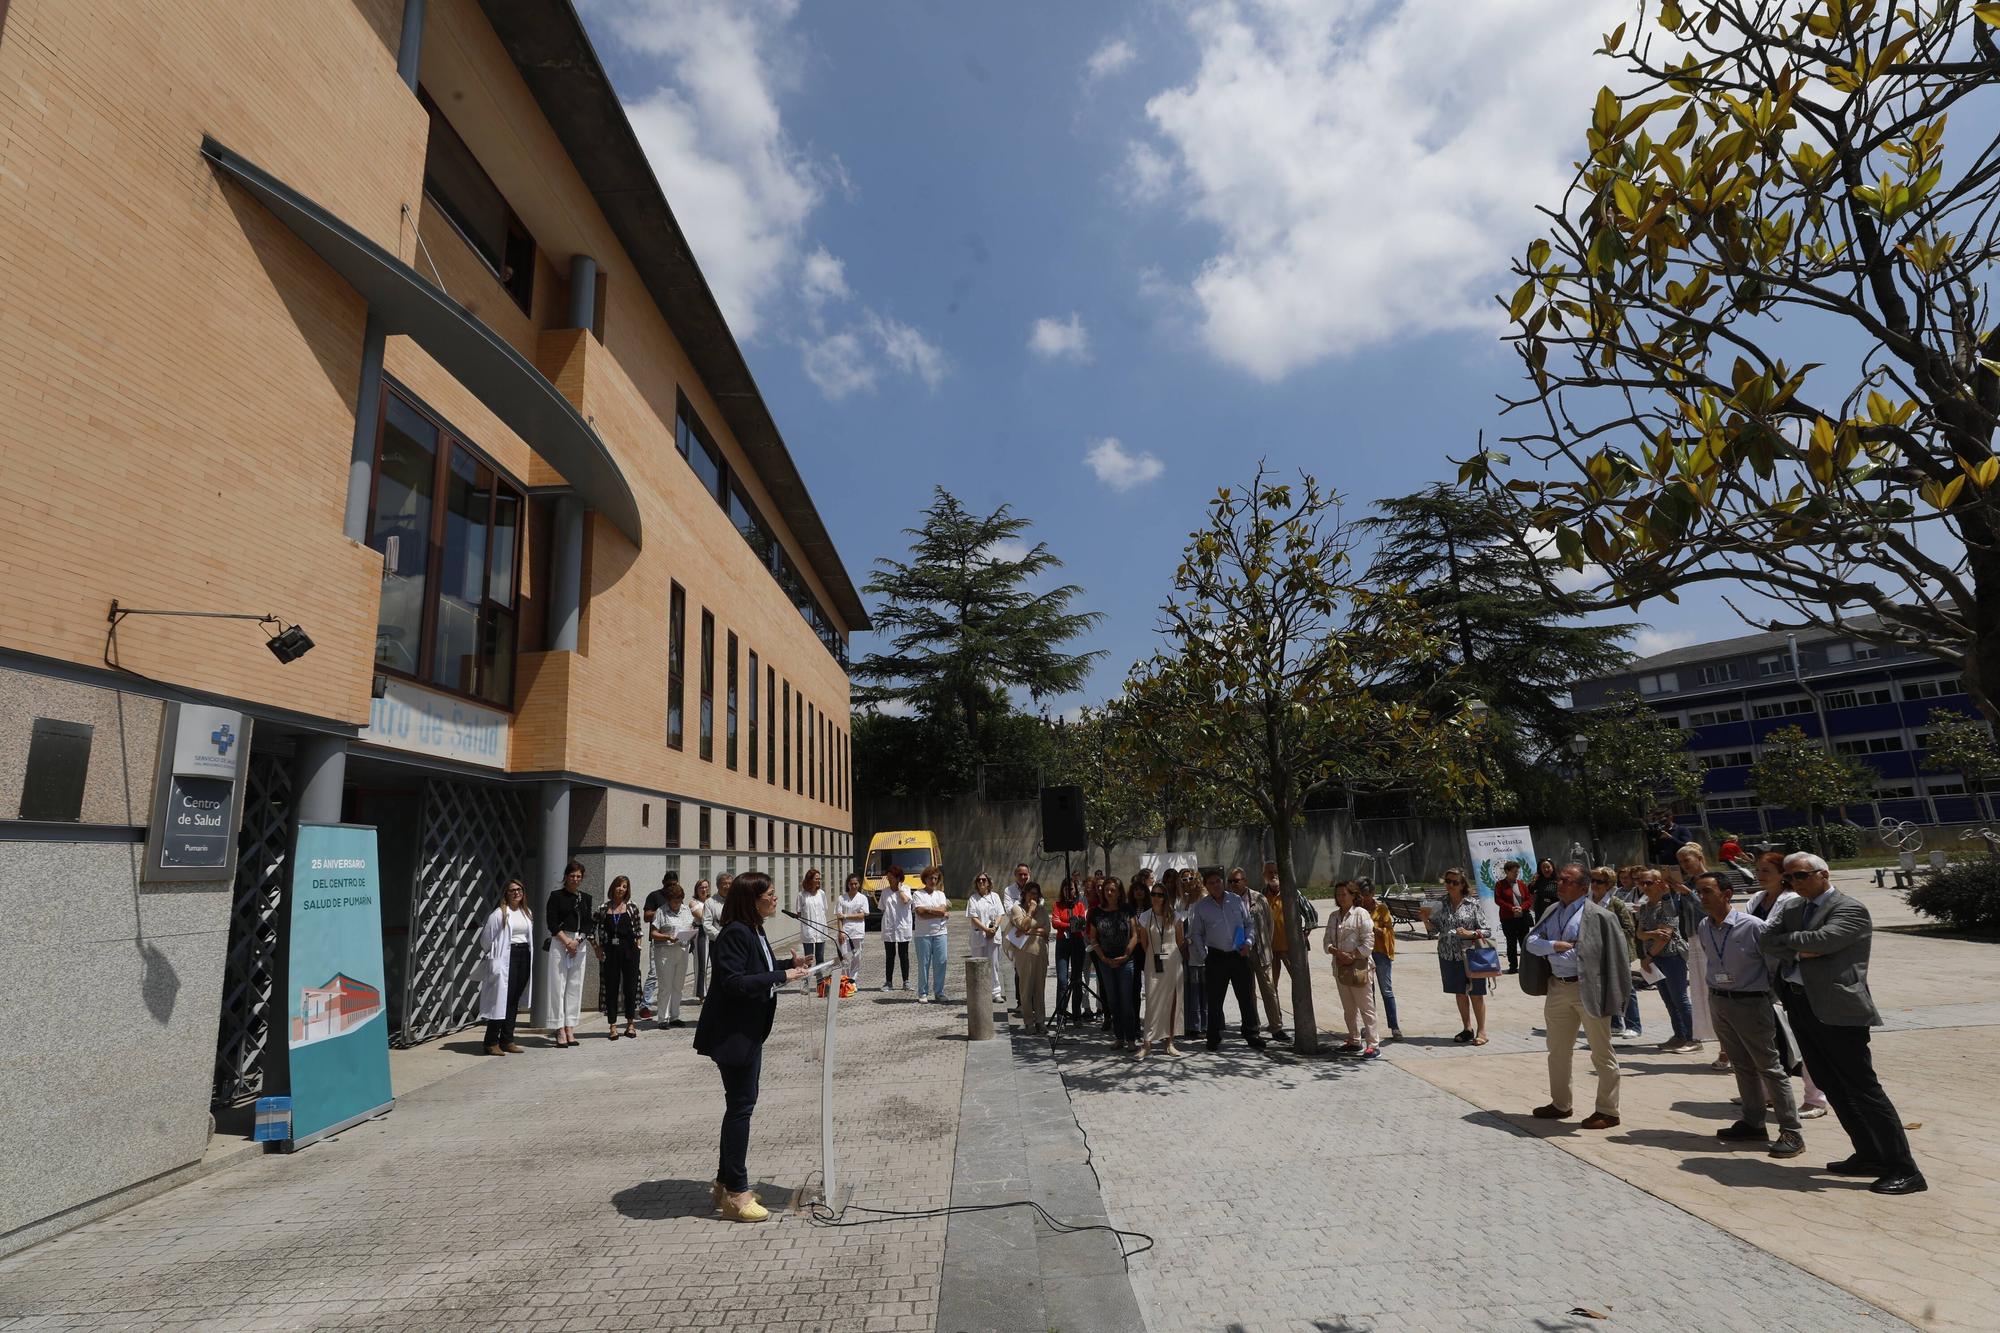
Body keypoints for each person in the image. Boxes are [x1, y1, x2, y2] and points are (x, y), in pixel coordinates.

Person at [1761, 853, 1925, 1194]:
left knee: (1863, 1088)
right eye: (1789, 877)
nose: (1795, 882)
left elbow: (1824, 941)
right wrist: (1800, 948)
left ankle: (1904, 1169)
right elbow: (1766, 941)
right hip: (1801, 1006)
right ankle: (1869, 1155)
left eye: (1802, 875)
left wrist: (1793, 944)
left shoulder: (1849, 908)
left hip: (1839, 1010)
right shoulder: (1792, 909)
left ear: (1823, 874)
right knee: (1830, 1083)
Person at [693, 872, 814, 1223]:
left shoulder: (754, 929)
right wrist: (781, 976)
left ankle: (724, 1182)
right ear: (752, 900)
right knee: (741, 1109)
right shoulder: (734, 933)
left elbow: (757, 969)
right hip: (733, 1034)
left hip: (749, 1032)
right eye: (771, 895)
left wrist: (789, 966)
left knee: (739, 1106)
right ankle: (736, 1194)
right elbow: (733, 982)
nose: (776, 899)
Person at [1694, 871, 1805, 1158]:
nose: (1701, 897)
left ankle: (1791, 1130)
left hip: (1751, 1003)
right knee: (1741, 1065)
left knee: (1769, 1066)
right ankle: (1753, 1121)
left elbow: (1773, 965)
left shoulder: (1753, 926)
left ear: (1726, 894)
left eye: (1707, 891)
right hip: (1720, 1001)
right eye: (1699, 892)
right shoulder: (1705, 926)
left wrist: (1761, 996)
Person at [1526, 863, 1630, 1130]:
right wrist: (1555, 946)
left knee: (1601, 1052)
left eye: (1567, 880)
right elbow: (1531, 942)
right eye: (1560, 879)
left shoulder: (1598, 916)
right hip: (1557, 987)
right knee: (1557, 1051)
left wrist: (1548, 949)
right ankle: (1561, 1103)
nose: (1560, 883)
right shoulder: (1552, 911)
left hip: (1589, 988)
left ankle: (1608, 1110)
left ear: (1584, 887)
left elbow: (1588, 955)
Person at [1745, 851, 1831, 1120]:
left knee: (1802, 1041)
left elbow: (1779, 939)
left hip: (1791, 978)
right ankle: (1768, 1092)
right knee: (1766, 1040)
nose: (1759, 875)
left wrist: (1783, 945)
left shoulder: (1792, 902)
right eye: (1757, 870)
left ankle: (1815, 1097)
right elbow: (1759, 937)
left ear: (1782, 875)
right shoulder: (1756, 900)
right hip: (1762, 978)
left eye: (1766, 871)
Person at [1188, 867, 1265, 1052]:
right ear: (1206, 886)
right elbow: (1196, 933)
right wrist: (1204, 955)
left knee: (1246, 997)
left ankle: (1251, 1034)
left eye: (1218, 881)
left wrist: (1248, 942)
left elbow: (1248, 924)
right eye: (1211, 883)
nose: (1216, 885)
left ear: (1222, 882)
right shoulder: (1202, 907)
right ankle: (1213, 1037)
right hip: (1216, 957)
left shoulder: (1236, 900)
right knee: (1214, 1000)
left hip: (1239, 955)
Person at [1423, 868, 1493, 1045]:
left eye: (1455, 882)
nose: (1450, 885)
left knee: (1476, 993)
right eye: (1447, 881)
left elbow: (1487, 930)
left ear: (1463, 885)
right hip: (1448, 954)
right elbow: (1434, 930)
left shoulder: (1473, 904)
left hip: (1471, 955)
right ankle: (1467, 1028)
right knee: (1460, 993)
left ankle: (1482, 1030)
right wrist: (1425, 920)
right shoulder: (1441, 904)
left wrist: (1470, 933)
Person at [1635, 868, 1697, 1051]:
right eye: (1641, 882)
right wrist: (1651, 934)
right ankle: (1679, 1035)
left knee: (1680, 998)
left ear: (1659, 883)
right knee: (1668, 1000)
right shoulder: (1645, 906)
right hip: (1653, 959)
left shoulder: (1668, 905)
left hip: (1671, 957)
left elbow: (1665, 936)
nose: (1644, 886)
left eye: (1648, 882)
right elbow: (1639, 933)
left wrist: (1649, 956)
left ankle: (1694, 1038)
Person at [1676, 843, 1725, 1067]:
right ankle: (1711, 1040)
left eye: (1687, 860)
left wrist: (1691, 895)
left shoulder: (1713, 880)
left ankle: (1728, 1049)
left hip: (1712, 936)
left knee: (1717, 992)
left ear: (1699, 857)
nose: (1684, 866)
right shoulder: (1687, 883)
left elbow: (1714, 908)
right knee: (1701, 993)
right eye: (1681, 863)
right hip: (1693, 937)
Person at [1587, 866, 1644, 1041]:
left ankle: (1633, 1025)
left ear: (1609, 884)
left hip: (1617, 952)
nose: (1594, 884)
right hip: (1596, 952)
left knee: (1626, 988)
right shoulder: (1586, 901)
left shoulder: (1615, 903)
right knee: (1604, 987)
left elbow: (1628, 928)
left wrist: (1613, 942)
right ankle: (1615, 1024)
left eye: (1599, 881)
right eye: (1592, 880)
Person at [479, 878, 534, 1055]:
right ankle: (491, 1041)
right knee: (501, 999)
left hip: (523, 954)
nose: (516, 892)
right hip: (507, 957)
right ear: (506, 894)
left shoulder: (527, 913)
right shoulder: (499, 914)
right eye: (512, 890)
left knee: (514, 999)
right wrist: (494, 956)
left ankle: (507, 1039)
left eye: (519, 889)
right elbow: (485, 940)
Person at [1324, 881, 1379, 1058]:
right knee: (1348, 1009)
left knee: (1366, 1007)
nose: (1340, 898)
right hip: (1340, 968)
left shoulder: (1361, 914)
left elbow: (1368, 943)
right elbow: (1326, 942)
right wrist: (1336, 952)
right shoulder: (1334, 916)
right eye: (1338, 895)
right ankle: (1354, 1040)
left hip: (1360, 967)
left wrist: (1352, 955)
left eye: (1344, 894)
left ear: (1353, 895)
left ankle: (1373, 1044)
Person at [1232, 867, 1288, 1042]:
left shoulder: (1258, 898)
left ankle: (1276, 1027)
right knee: (1248, 992)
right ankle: (1252, 1025)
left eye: (1237, 880)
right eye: (1231, 881)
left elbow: (1269, 924)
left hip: (1261, 951)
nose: (1234, 884)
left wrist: (1266, 945)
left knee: (1269, 990)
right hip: (1241, 953)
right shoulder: (1228, 901)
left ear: (1245, 881)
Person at [543, 860, 593, 1048]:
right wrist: (567, 942)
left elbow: (589, 923)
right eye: (572, 876)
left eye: (579, 876)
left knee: (575, 984)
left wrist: (578, 941)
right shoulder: (556, 896)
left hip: (579, 942)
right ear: (566, 876)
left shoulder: (585, 898)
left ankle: (570, 1025)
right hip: (560, 941)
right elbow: (552, 922)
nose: (575, 879)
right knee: (558, 984)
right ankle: (559, 1027)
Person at [1136, 878, 1184, 1057]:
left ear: (1165, 897)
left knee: (1172, 1002)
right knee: (1152, 1001)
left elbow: (1180, 941)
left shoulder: (1176, 916)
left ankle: (1169, 1041)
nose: (1156, 897)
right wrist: (1155, 955)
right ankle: (1146, 1043)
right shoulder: (1145, 917)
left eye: (1160, 895)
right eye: (1153, 894)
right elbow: (1144, 943)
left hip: (1173, 961)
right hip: (1153, 961)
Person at [1091, 876, 1140, 1050]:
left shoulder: (1128, 910)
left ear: (1119, 892)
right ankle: (1118, 1037)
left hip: (1126, 962)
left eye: (1113, 890)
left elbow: (1135, 934)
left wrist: (1127, 954)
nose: (1109, 893)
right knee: (1113, 1001)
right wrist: (1103, 958)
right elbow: (1093, 938)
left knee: (1127, 1001)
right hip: (1106, 962)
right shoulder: (1096, 912)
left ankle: (1131, 1039)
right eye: (1106, 890)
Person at [595, 876, 643, 1040]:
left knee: (630, 987)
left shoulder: (632, 907)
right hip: (610, 951)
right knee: (611, 988)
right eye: (618, 886)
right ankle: (613, 1026)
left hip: (629, 950)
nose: (621, 889)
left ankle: (630, 1024)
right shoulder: (603, 908)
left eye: (624, 886)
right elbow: (591, 928)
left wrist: (638, 946)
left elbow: (638, 930)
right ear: (613, 887)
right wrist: (597, 947)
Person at [1357, 881, 1401, 1040]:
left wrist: (1375, 929)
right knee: (1368, 992)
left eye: (1368, 895)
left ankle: (1394, 1027)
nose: (1366, 899)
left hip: (1381, 953)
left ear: (1373, 893)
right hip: (1364, 953)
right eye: (1363, 896)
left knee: (1386, 990)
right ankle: (1369, 1026)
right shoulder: (1358, 910)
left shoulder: (1381, 909)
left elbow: (1389, 930)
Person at [650, 880, 696, 1028]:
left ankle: (675, 1016)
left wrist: (691, 933)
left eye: (679, 901)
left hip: (682, 950)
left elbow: (691, 925)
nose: (677, 904)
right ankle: (662, 1018)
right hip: (665, 951)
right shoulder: (661, 911)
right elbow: (653, 933)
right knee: (665, 986)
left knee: (678, 985)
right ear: (668, 900)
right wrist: (667, 937)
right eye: (674, 901)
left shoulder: (686, 910)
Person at [1008, 880, 1051, 1034]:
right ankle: (1028, 1022)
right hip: (1024, 953)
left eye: (1036, 893)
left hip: (1040, 952)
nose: (1033, 896)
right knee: (1026, 988)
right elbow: (1022, 925)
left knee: (1040, 988)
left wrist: (1030, 930)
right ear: (1024, 894)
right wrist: (1031, 912)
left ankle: (1040, 1021)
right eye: (1030, 892)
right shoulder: (1016, 909)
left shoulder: (1043, 910)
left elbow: (1046, 930)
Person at [1052, 876, 1092, 1024]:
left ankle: (1077, 1015)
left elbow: (1081, 924)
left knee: (1076, 980)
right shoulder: (1057, 905)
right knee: (1062, 980)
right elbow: (1055, 923)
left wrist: (1066, 924)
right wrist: (1070, 925)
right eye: (1066, 888)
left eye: (1072, 888)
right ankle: (1061, 1015)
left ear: (1076, 891)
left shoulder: (1080, 905)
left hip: (1077, 943)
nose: (1069, 891)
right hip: (1062, 943)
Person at [911, 865, 951, 1002]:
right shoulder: (917, 894)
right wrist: (938, 912)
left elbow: (943, 909)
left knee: (941, 961)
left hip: (940, 933)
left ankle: (939, 992)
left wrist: (929, 910)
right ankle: (923, 992)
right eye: (930, 878)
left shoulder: (941, 894)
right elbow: (921, 914)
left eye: (935, 878)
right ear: (924, 879)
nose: (933, 881)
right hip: (923, 935)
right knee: (924, 964)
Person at [966, 873, 1007, 1004]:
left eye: (984, 880)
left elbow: (1000, 914)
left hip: (993, 935)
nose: (981, 882)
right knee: (979, 965)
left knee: (994, 964)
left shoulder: (995, 897)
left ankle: (996, 992)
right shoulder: (973, 898)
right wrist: (986, 929)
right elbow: (973, 917)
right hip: (979, 934)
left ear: (989, 882)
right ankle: (980, 992)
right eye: (979, 880)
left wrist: (994, 928)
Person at [1175, 871, 1206, 1039]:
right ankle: (1189, 1025)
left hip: (1200, 949)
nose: (1187, 882)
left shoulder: (1204, 897)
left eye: (1190, 878)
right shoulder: (1181, 900)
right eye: (1184, 879)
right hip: (1184, 950)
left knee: (1201, 989)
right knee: (1188, 988)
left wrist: (1192, 940)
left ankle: (1202, 1025)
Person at [640, 875, 672, 1020]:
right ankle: (645, 1005)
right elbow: (646, 916)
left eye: (674, 884)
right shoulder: (654, 896)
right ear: (663, 883)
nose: (671, 887)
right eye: (668, 884)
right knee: (654, 973)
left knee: (669, 975)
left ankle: (666, 1006)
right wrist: (662, 911)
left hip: (674, 941)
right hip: (658, 940)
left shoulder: (676, 896)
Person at [878, 865, 914, 992]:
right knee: (890, 955)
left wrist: (899, 890)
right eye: (887, 877)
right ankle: (888, 982)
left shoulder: (906, 889)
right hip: (889, 927)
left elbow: (905, 901)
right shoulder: (885, 892)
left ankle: (906, 981)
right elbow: (882, 908)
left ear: (898, 878)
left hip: (903, 926)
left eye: (891, 877)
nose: (888, 880)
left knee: (904, 955)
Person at [836, 873, 869, 981]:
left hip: (858, 931)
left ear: (859, 884)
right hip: (845, 931)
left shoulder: (863, 898)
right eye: (851, 884)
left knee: (857, 957)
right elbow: (839, 917)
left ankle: (852, 980)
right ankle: (845, 979)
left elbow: (862, 915)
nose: (853, 886)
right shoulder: (841, 898)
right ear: (848, 884)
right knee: (844, 956)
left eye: (856, 883)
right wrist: (840, 931)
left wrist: (846, 915)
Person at [690, 879, 717, 999]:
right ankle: (702, 993)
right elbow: (701, 916)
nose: (704, 890)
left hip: (714, 932)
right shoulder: (693, 902)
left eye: (706, 887)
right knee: (702, 964)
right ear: (697, 889)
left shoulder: (712, 901)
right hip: (701, 933)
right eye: (701, 887)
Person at [796, 868, 830, 965]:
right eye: (816, 879)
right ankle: (807, 979)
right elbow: (799, 914)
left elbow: (824, 909)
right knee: (808, 958)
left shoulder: (822, 894)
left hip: (820, 929)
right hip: (808, 931)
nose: (819, 881)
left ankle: (820, 979)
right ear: (810, 880)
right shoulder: (801, 895)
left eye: (820, 879)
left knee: (820, 957)